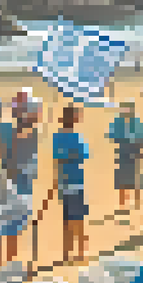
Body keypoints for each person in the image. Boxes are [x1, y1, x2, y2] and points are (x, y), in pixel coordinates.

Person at [0, 95, 42, 270]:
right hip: (18, 185)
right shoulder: (30, 131)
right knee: (11, 230)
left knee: (2, 228)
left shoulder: (5, 128)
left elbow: (1, 155)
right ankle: (5, 266)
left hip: (8, 182)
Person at [51, 104, 91, 264]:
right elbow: (84, 155)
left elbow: (57, 159)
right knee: (78, 220)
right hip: (76, 182)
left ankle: (67, 253)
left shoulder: (57, 137)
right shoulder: (77, 137)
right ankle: (80, 252)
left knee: (67, 221)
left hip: (64, 183)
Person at [107, 100, 143, 210]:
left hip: (134, 150)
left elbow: (141, 137)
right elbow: (112, 136)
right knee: (122, 179)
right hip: (123, 151)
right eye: (124, 109)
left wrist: (141, 151)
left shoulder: (136, 122)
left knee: (136, 178)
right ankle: (122, 203)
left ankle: (137, 202)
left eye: (128, 109)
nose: (126, 111)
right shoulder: (118, 122)